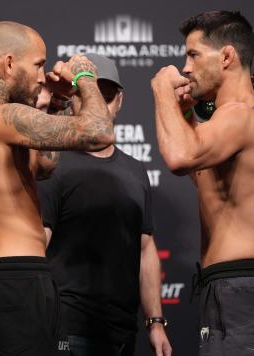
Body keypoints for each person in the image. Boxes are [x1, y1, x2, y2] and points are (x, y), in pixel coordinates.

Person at [0, 21, 114, 356]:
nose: (41, 77)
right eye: (37, 64)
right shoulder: (3, 116)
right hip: (15, 280)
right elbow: (98, 132)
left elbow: (43, 168)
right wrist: (84, 77)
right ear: (8, 63)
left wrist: (57, 102)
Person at [37, 53, 172, 356]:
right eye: (88, 94)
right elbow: (36, 245)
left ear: (120, 101)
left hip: (122, 331)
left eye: (106, 97)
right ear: (72, 97)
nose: (96, 105)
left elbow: (146, 248)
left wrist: (155, 323)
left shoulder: (136, 170)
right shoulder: (51, 163)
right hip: (67, 326)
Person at [151, 10, 254, 356]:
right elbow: (204, 179)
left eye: (193, 54)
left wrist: (162, 93)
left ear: (227, 56)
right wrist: (183, 115)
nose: (186, 67)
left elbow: (180, 158)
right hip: (226, 286)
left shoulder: (241, 113)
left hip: (242, 288)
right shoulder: (225, 121)